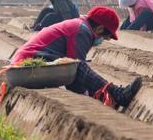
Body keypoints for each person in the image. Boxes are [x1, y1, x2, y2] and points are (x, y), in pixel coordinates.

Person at [11, 6, 143, 111]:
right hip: (28, 64)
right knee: (78, 65)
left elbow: (73, 76)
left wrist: (87, 95)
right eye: (104, 36)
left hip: (25, 67)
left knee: (74, 65)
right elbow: (76, 69)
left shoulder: (80, 25)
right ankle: (117, 94)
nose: (103, 40)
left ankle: (108, 94)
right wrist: (87, 95)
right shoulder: (82, 31)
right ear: (100, 28)